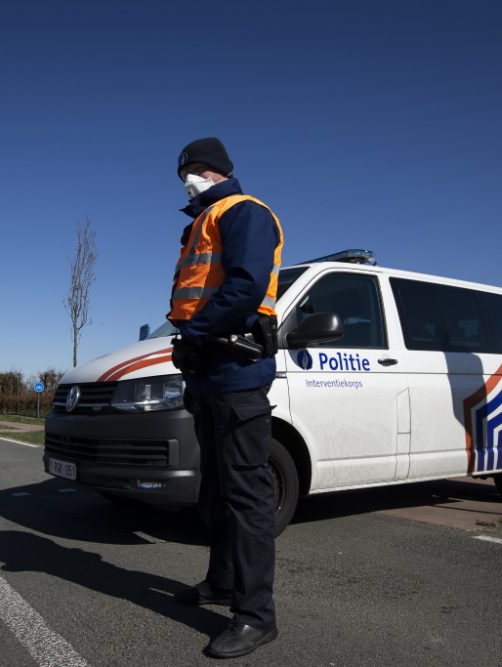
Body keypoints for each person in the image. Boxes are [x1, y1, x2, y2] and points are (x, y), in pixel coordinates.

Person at [168, 137, 284, 659]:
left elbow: (245, 286)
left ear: (211, 170)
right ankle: (220, 583)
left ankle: (255, 616)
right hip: (210, 375)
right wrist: (189, 346)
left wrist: (196, 335)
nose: (186, 180)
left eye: (190, 171)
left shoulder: (243, 212)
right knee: (216, 491)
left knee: (246, 498)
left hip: (238, 375)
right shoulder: (201, 221)